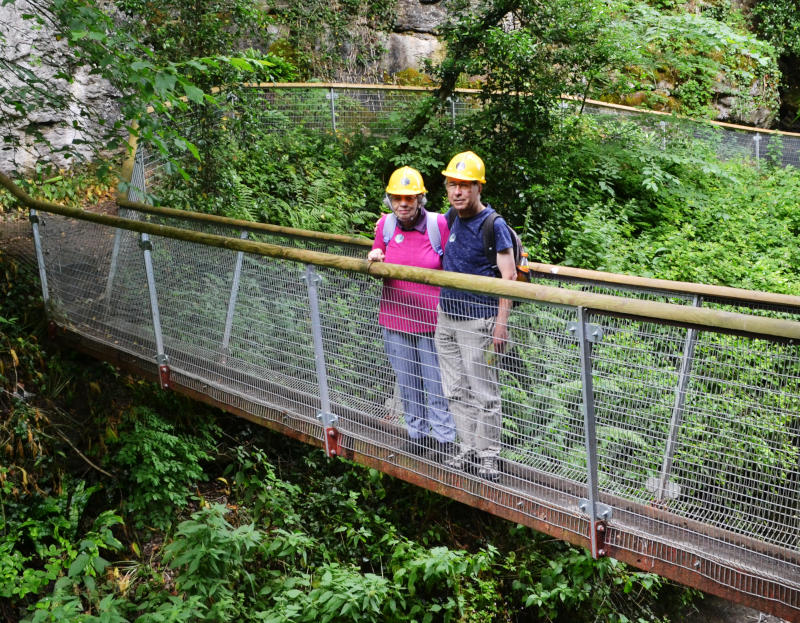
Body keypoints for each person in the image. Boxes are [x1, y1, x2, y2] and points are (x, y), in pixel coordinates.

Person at [435, 151, 516, 482]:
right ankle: (467, 446)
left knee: (484, 392)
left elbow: (509, 277)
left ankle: (488, 456)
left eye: (465, 186)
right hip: (446, 317)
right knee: (455, 389)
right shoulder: (451, 218)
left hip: (478, 321)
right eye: (453, 185)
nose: (457, 192)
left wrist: (501, 324)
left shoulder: (493, 225)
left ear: (478, 188)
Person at [368, 166, 456, 460]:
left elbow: (453, 267)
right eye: (396, 198)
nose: (402, 204)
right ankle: (417, 436)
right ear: (389, 200)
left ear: (420, 199)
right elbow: (377, 254)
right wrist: (375, 258)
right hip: (395, 319)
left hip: (433, 322)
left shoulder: (438, 225)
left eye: (409, 198)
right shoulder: (385, 226)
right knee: (407, 383)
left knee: (437, 384)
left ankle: (444, 441)